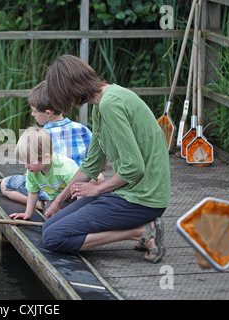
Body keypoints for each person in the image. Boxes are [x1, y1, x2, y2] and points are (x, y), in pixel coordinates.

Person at [42, 55, 170, 263]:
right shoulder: (101, 103)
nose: (68, 105)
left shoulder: (110, 104)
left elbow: (134, 167)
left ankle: (140, 231)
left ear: (70, 89)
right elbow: (91, 165)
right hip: (126, 191)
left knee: (53, 238)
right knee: (50, 226)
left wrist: (97, 189)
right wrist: (58, 201)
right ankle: (140, 228)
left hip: (143, 199)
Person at [1, 81, 99, 210]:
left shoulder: (41, 136)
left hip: (55, 187)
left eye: (35, 112)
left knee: (5, 185)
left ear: (48, 113)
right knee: (99, 178)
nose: (32, 115)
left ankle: (40, 204)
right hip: (79, 184)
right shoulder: (82, 129)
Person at [8, 126, 79, 220]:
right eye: (25, 162)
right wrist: (27, 213)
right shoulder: (32, 171)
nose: (26, 166)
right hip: (56, 199)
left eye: (30, 162)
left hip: (75, 197)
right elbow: (33, 192)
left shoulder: (64, 167)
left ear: (46, 157)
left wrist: (80, 211)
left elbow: (79, 190)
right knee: (49, 213)